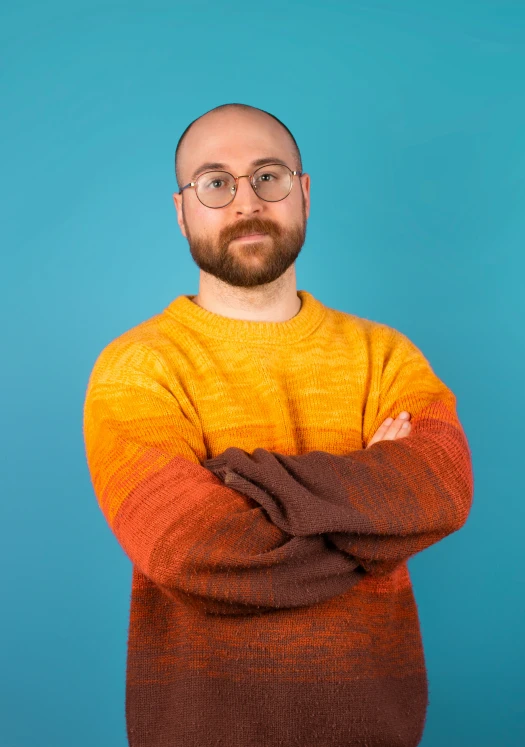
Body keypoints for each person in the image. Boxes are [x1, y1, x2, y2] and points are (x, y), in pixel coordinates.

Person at [82, 102, 474, 747]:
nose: (246, 203)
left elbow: (443, 488)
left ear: (305, 194)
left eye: (269, 175)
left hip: (377, 729)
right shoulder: (136, 368)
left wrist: (243, 480)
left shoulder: (386, 356)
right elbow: (189, 550)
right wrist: (376, 513)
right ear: (182, 212)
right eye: (215, 182)